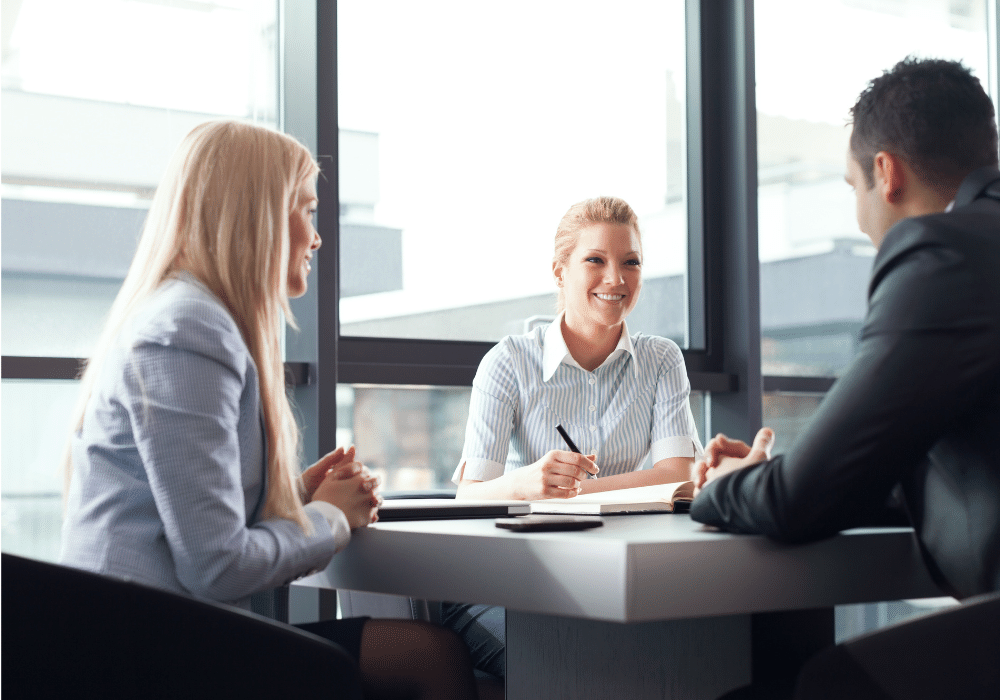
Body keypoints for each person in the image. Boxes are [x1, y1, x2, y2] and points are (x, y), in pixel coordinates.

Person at [60, 120, 478, 700]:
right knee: (428, 657)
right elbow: (217, 567)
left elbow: (196, 521)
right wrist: (331, 518)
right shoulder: (189, 330)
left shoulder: (190, 319)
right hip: (147, 656)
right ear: (255, 214)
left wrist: (295, 500)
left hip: (156, 635)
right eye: (305, 210)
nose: (317, 237)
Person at [691, 57, 1000, 700]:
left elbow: (803, 500)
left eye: (851, 187)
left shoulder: (941, 251)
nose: (860, 220)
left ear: (885, 173)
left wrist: (722, 487)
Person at [445, 195, 705, 680]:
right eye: (595, 261)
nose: (616, 279)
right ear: (560, 272)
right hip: (522, 580)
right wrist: (529, 483)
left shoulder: (661, 359)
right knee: (579, 662)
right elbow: (469, 495)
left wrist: (570, 494)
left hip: (619, 576)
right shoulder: (508, 364)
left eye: (631, 262)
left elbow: (678, 479)